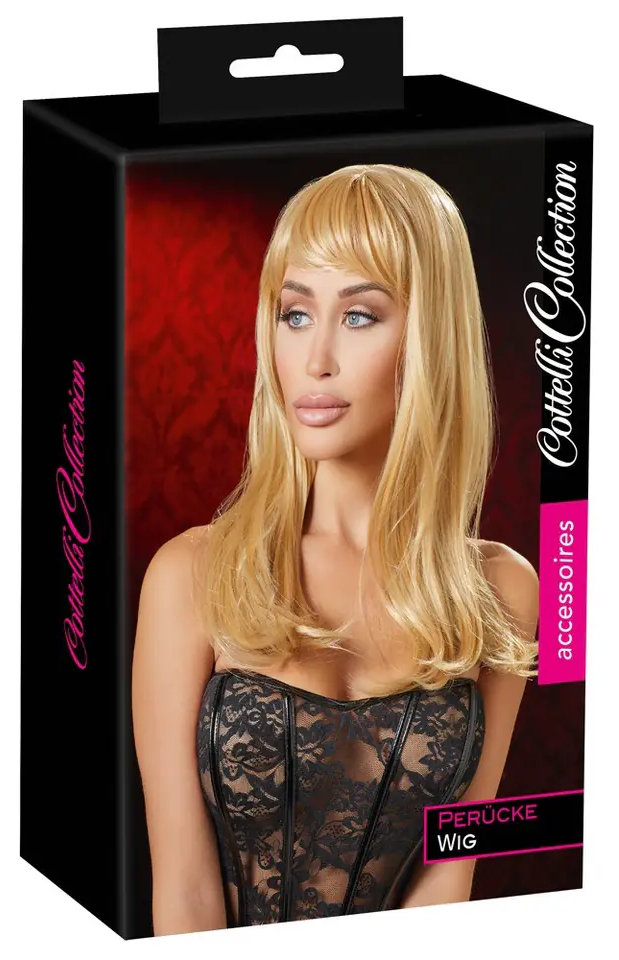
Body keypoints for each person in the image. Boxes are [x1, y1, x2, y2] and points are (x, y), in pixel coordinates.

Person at [132, 163, 539, 935]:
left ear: (429, 338)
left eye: (358, 316)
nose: (314, 358)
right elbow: (183, 890)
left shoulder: (499, 590)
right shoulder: (193, 575)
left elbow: (449, 875)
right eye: (294, 314)